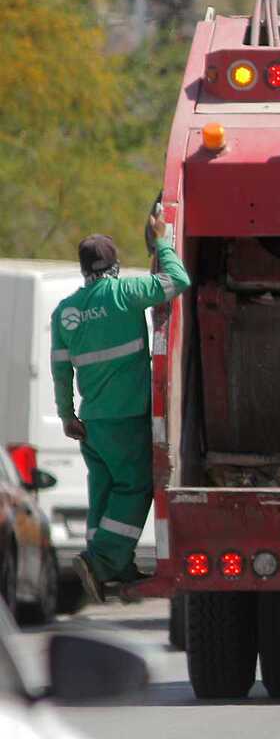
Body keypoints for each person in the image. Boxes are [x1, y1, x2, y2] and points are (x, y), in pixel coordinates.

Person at [51, 207, 191, 603]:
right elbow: (178, 280)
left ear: (84, 269)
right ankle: (101, 561)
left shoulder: (65, 312)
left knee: (106, 491)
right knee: (136, 486)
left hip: (91, 423)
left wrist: (67, 415)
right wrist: (162, 242)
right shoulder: (124, 292)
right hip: (126, 417)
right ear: (114, 265)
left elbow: (60, 371)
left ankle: (115, 565)